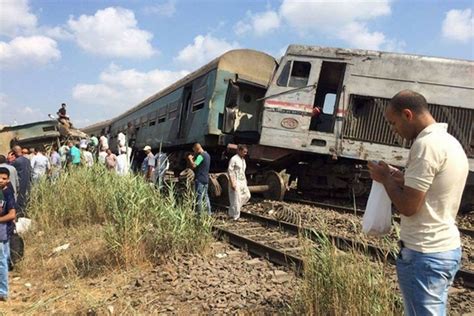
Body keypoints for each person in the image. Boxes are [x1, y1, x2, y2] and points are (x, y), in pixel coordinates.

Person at [367, 90, 468, 316]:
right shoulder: (449, 142)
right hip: (444, 247)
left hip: (425, 253)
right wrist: (399, 177)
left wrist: (385, 179)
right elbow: (433, 188)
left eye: (394, 124)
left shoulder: (425, 146)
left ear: (407, 114)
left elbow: (408, 207)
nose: (395, 130)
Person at [0, 167, 17, 301]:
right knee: (3, 259)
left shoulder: (7, 193)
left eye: (4, 178)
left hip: (3, 230)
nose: (1, 180)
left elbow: (12, 214)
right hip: (4, 230)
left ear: (8, 180)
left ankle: (3, 292)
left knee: (2, 261)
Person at [187, 143, 211, 215]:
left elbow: (194, 165)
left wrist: (190, 159)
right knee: (206, 196)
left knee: (199, 197)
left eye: (194, 150)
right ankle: (208, 213)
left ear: (197, 148)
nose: (194, 152)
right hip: (206, 178)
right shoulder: (207, 155)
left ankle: (199, 213)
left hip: (200, 179)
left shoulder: (201, 156)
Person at [228, 145, 251, 220]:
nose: (245, 153)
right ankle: (235, 217)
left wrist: (245, 181)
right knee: (236, 198)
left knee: (247, 195)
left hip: (242, 181)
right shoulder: (234, 159)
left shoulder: (243, 160)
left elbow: (243, 171)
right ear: (239, 151)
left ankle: (233, 210)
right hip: (235, 180)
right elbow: (230, 171)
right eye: (244, 152)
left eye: (246, 152)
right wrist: (232, 182)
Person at [11, 146, 31, 218]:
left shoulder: (16, 161)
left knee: (20, 200)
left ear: (14, 153)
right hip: (28, 182)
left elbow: (9, 168)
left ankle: (20, 215)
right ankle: (26, 213)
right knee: (26, 198)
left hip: (20, 183)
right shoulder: (27, 160)